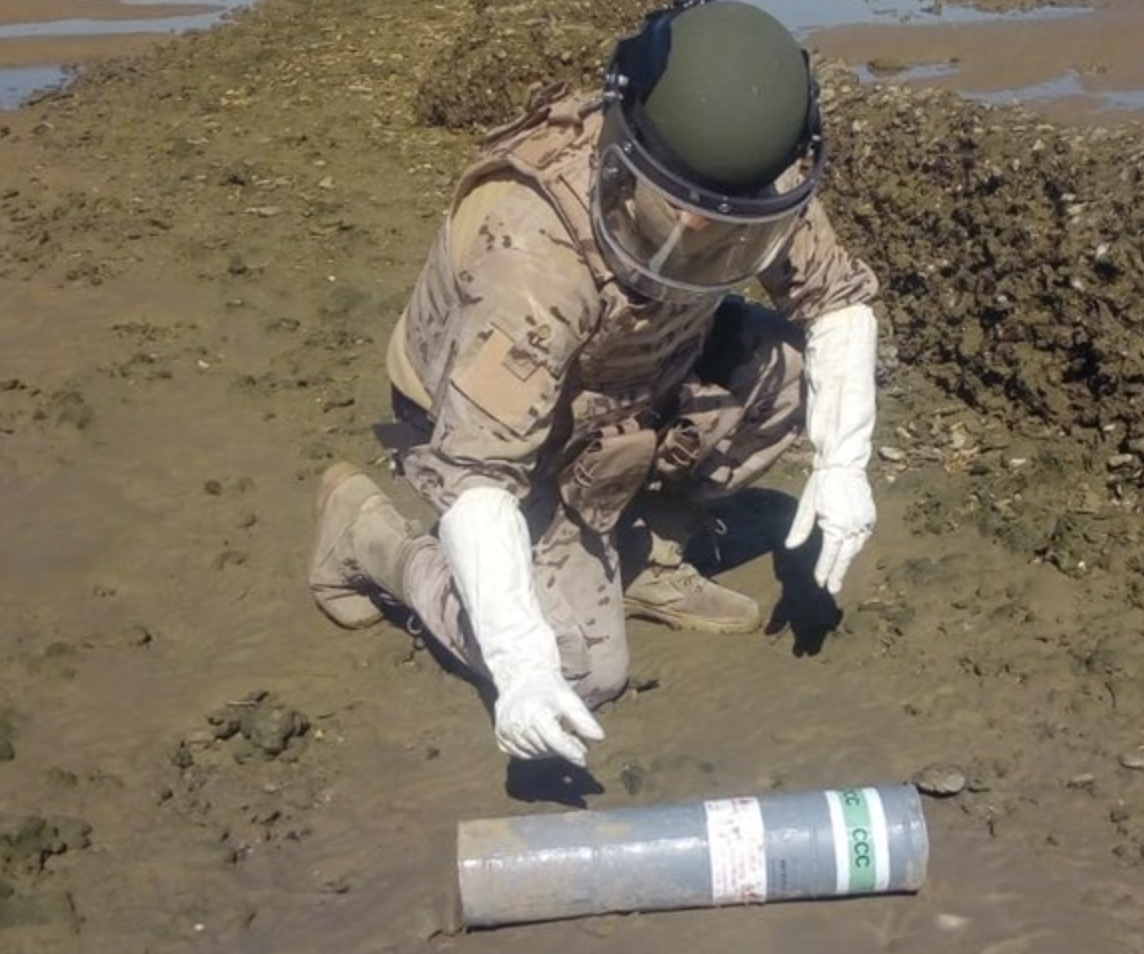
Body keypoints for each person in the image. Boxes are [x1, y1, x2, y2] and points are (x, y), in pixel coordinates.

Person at [308, 0, 880, 768]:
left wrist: (844, 464)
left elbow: (837, 299)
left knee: (790, 375)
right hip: (494, 428)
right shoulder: (536, 252)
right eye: (680, 209)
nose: (707, 232)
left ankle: (647, 559)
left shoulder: (749, 177)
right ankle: (374, 541)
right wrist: (521, 666)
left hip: (642, 373)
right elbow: (481, 474)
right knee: (580, 672)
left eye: (733, 216)